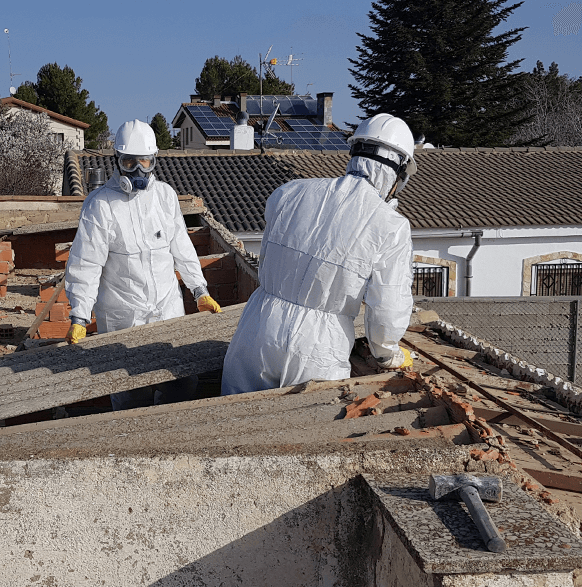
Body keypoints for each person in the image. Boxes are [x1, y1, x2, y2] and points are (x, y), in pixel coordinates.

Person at [221, 113, 417, 395]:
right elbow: (387, 305)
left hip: (258, 326)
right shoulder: (391, 226)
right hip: (318, 344)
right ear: (396, 173)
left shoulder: (289, 192)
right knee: (306, 430)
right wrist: (387, 353)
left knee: (231, 423)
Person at [63, 119, 222, 410]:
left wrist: (199, 290)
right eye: (129, 162)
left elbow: (181, 247)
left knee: (181, 382)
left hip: (167, 310)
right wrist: (80, 316)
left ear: (155, 160)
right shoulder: (100, 205)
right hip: (124, 317)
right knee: (130, 393)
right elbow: (86, 263)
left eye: (145, 161)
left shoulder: (165, 196)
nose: (138, 170)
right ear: (117, 162)